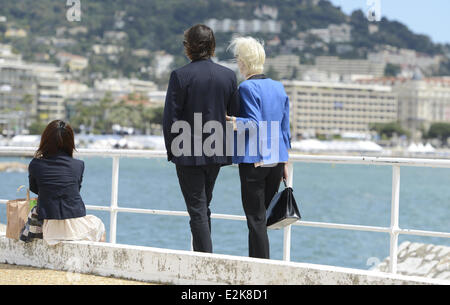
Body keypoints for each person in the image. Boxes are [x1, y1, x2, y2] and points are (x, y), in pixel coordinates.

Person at [163, 24, 240, 253]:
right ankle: (204, 258)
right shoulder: (228, 76)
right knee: (203, 208)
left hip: (187, 151)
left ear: (190, 47)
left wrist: (173, 152)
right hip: (217, 150)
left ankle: (205, 263)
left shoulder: (180, 76)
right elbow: (233, 115)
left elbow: (170, 119)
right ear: (212, 46)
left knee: (197, 211)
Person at [227, 37, 291, 259]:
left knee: (255, 220)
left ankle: (261, 269)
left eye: (238, 59)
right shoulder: (278, 87)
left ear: (243, 62)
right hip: (275, 160)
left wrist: (234, 122)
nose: (237, 64)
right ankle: (257, 264)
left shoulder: (247, 87)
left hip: (253, 160)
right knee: (260, 220)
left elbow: (253, 124)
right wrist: (284, 161)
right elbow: (285, 129)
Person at [28, 120, 105, 245]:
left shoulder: (35, 164)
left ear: (45, 140)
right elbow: (75, 189)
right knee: (99, 226)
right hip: (76, 224)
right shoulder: (78, 165)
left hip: (50, 228)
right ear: (70, 141)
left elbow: (34, 188)